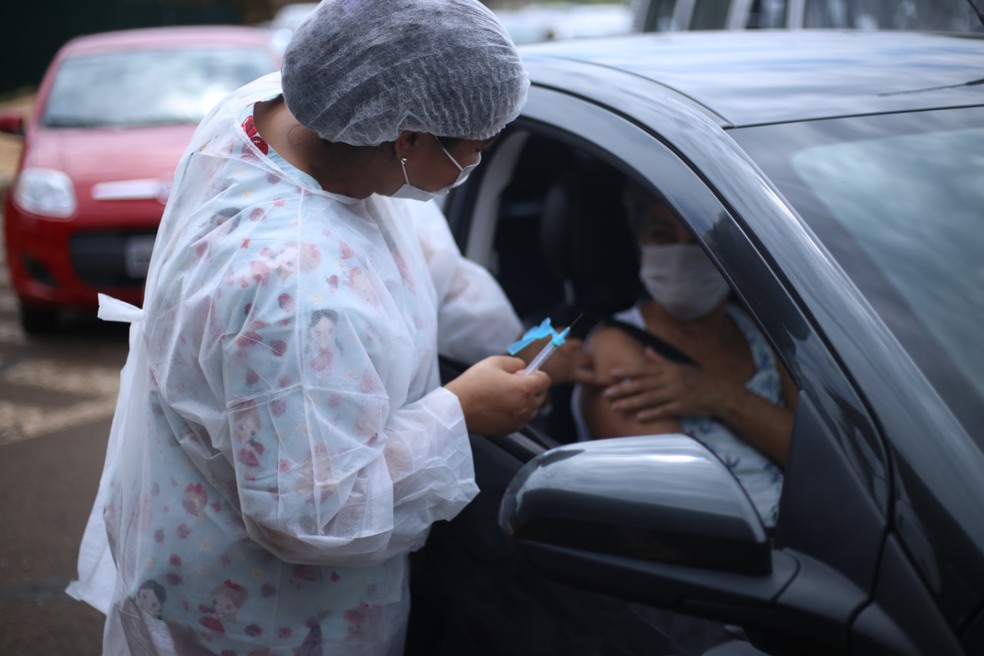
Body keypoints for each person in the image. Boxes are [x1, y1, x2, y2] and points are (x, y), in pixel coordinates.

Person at [67, 2, 553, 654]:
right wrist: (459, 411)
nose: (476, 161)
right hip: (262, 617)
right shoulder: (295, 297)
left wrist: (525, 338)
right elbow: (312, 517)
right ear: (406, 139)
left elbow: (415, 258)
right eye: (474, 147)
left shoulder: (282, 111)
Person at [573, 179, 797, 528]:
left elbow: (828, 464)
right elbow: (692, 501)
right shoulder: (618, 346)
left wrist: (718, 396)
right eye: (663, 235)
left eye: (702, 237)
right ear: (639, 244)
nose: (683, 253)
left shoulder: (763, 332)